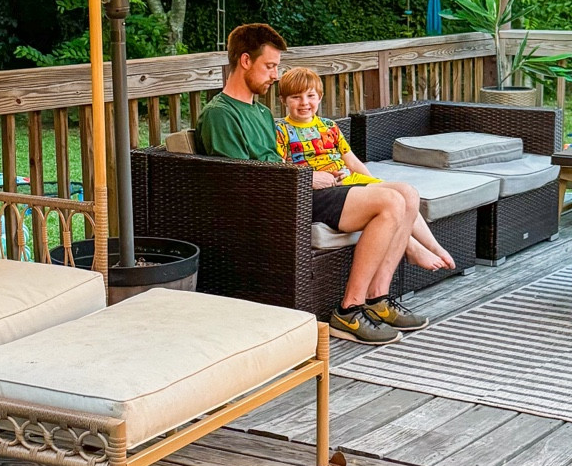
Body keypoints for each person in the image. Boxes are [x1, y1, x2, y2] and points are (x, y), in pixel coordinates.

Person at [195, 23, 426, 346]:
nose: (275, 75)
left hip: (298, 189)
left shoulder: (260, 113)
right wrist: (305, 176)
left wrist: (312, 175)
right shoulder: (220, 114)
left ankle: (377, 299)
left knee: (407, 193)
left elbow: (276, 161)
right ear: (245, 61)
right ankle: (349, 310)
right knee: (390, 203)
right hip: (280, 201)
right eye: (269, 66)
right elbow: (239, 179)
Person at [275, 67, 458, 278]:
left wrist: (373, 182)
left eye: (310, 96)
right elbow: (283, 167)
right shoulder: (281, 130)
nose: (304, 103)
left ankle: (434, 246)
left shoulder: (329, 126)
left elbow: (351, 160)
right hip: (326, 187)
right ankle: (412, 247)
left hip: (349, 178)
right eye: (296, 97)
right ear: (283, 100)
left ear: (320, 97)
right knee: (391, 202)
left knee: (405, 192)